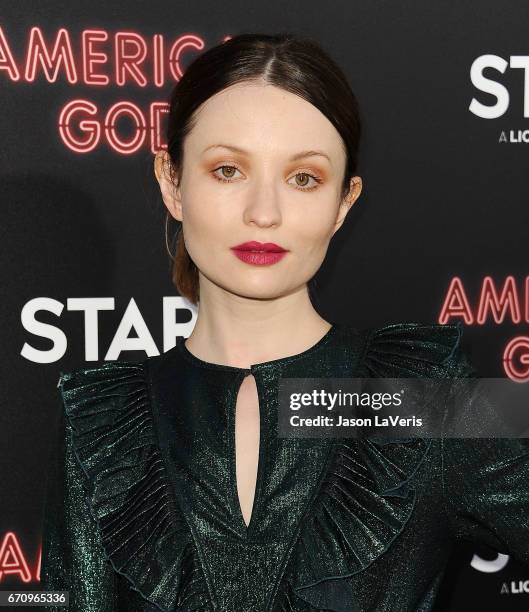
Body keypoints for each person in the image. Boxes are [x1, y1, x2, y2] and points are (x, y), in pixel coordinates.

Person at [38, 33, 529, 612]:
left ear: (344, 203)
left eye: (304, 178)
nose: (264, 212)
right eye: (227, 170)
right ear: (172, 182)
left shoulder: (421, 392)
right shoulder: (103, 420)